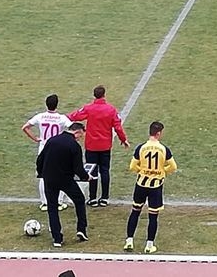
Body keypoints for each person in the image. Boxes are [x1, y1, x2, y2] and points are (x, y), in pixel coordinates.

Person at [68, 85, 129, 207]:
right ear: (104, 95)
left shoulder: (89, 108)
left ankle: (93, 198)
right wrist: (123, 139)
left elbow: (74, 116)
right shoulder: (111, 110)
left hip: (91, 146)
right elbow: (117, 126)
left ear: (94, 95)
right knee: (105, 171)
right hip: (105, 146)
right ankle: (105, 197)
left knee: (92, 171)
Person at [36, 122, 95, 248]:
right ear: (77, 132)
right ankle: (81, 229)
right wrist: (87, 177)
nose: (80, 138)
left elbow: (40, 159)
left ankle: (57, 238)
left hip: (49, 178)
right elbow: (78, 168)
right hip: (65, 179)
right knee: (79, 200)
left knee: (52, 207)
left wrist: (41, 173)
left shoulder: (52, 140)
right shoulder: (74, 146)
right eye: (80, 136)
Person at [123, 121, 178, 255]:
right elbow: (173, 167)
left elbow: (132, 166)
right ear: (159, 133)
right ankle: (149, 244)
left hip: (141, 184)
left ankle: (129, 240)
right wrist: (162, 171)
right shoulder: (164, 149)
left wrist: (142, 171)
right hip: (156, 186)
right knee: (153, 216)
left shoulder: (141, 148)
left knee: (135, 211)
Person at [23, 94, 72, 212]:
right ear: (57, 104)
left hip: (44, 149)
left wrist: (35, 138)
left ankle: (45, 202)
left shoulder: (40, 116)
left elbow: (25, 127)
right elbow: (73, 128)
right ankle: (58, 202)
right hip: (58, 150)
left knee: (43, 176)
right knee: (60, 175)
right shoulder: (61, 118)